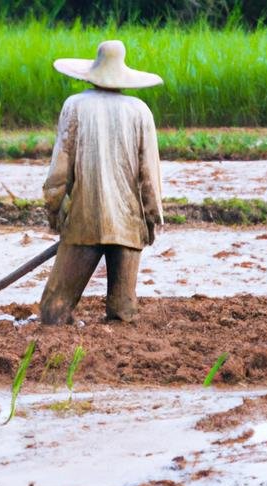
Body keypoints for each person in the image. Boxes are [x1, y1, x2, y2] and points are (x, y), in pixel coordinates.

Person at [40, 40, 163, 325]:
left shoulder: (75, 106)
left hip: (85, 220)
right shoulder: (140, 111)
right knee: (123, 314)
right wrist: (152, 219)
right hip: (129, 224)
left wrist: (55, 213)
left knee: (53, 312)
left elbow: (59, 173)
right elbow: (149, 176)